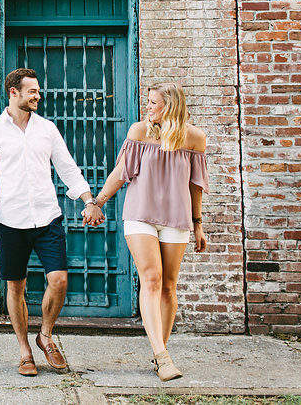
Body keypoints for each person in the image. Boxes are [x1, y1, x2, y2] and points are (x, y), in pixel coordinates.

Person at [0, 68, 103, 377]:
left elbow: (68, 168)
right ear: (13, 93)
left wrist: (89, 201)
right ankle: (24, 351)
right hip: (10, 221)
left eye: (38, 91)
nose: (38, 96)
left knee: (58, 280)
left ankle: (45, 335)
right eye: (32, 91)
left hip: (47, 218)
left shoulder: (47, 129)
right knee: (15, 287)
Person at [89, 82, 208, 381]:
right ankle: (163, 357)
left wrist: (198, 223)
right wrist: (98, 201)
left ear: (170, 106)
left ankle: (160, 352)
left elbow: (196, 185)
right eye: (149, 102)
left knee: (168, 286)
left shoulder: (194, 138)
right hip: (140, 216)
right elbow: (121, 172)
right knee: (152, 278)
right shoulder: (139, 132)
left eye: (154, 102)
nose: (148, 107)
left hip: (176, 218)